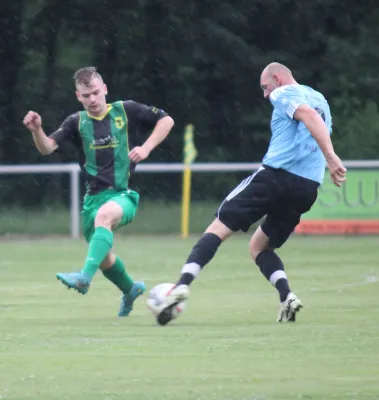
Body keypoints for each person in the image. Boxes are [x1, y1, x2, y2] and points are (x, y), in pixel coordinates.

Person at [155, 62, 347, 325]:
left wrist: (331, 156)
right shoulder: (319, 98)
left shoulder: (284, 93)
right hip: (306, 188)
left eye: (265, 87)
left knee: (217, 228)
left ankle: (181, 286)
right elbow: (316, 121)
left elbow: (308, 117)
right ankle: (287, 297)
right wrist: (328, 158)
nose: (266, 94)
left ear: (277, 79)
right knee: (259, 247)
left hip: (275, 177)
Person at [23, 66, 174, 317]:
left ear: (104, 89)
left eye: (95, 92)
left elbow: (166, 120)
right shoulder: (76, 122)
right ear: (78, 97)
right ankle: (130, 289)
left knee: (105, 218)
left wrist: (146, 148)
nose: (92, 99)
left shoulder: (126, 110)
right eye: (85, 95)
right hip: (92, 199)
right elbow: (47, 148)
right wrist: (37, 130)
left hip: (122, 195)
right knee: (105, 260)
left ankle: (83, 278)